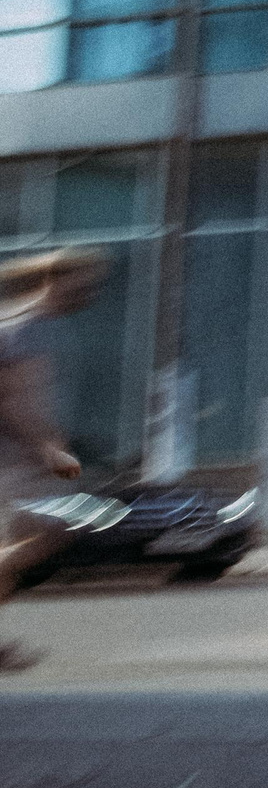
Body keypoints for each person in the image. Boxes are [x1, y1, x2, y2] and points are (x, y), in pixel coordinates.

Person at [0, 247, 109, 669]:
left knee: (32, 537)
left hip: (19, 454)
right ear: (60, 279)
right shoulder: (31, 327)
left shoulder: (25, 321)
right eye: (88, 281)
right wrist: (49, 447)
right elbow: (16, 398)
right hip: (18, 457)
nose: (92, 291)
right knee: (49, 531)